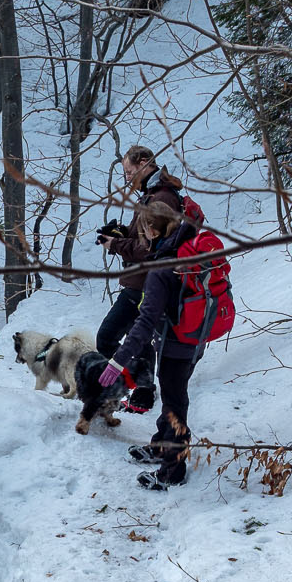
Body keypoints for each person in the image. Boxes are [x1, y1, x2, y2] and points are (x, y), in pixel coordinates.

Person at [98, 201, 234, 491]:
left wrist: (117, 361)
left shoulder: (161, 270)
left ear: (149, 229)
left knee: (174, 403)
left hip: (177, 343)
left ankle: (173, 469)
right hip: (194, 337)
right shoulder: (186, 245)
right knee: (175, 395)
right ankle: (161, 447)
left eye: (141, 228)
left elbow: (144, 323)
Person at [94, 145, 200, 410]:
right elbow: (143, 235)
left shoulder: (161, 198)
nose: (127, 178)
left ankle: (134, 387)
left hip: (146, 283)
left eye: (129, 171)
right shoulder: (152, 194)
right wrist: (120, 233)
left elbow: (149, 248)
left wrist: (114, 245)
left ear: (144, 162)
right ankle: (143, 390)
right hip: (141, 281)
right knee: (139, 338)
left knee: (107, 337)